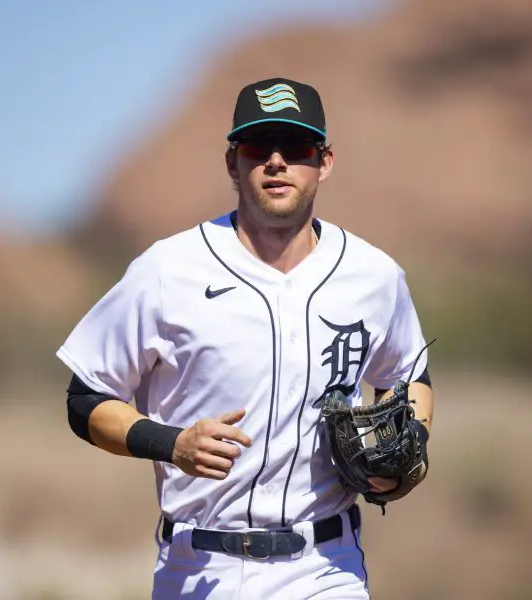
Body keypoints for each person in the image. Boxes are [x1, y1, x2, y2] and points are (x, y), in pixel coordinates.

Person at [57, 77, 434, 600]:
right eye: (259, 147)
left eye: (297, 147)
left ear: (324, 162)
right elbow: (85, 399)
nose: (277, 161)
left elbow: (410, 375)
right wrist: (172, 444)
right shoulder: (168, 270)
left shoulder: (373, 275)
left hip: (326, 567)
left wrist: (407, 457)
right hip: (199, 569)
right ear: (232, 163)